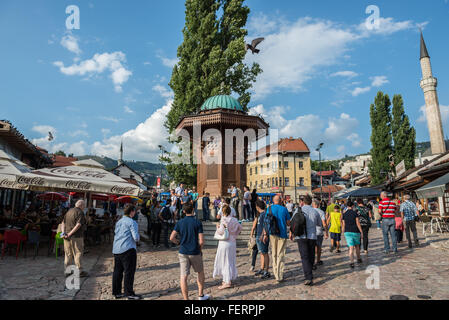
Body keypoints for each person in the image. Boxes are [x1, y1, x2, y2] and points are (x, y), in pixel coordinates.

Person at [170, 203, 210, 300]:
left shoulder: (180, 222)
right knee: (200, 273)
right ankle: (200, 295)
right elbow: (201, 241)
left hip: (183, 252)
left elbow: (171, 238)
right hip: (194, 251)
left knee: (183, 276)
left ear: (183, 211)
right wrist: (200, 250)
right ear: (193, 210)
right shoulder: (197, 222)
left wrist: (178, 243)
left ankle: (185, 299)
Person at [112, 204, 141, 300]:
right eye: (135, 211)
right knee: (129, 272)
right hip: (128, 249)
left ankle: (117, 292)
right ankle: (129, 293)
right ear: (132, 211)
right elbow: (136, 238)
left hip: (117, 248)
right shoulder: (132, 222)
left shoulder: (119, 221)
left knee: (117, 271)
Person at [292, 195, 322, 286]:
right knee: (311, 255)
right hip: (312, 236)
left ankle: (308, 277)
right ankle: (310, 271)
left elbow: (293, 222)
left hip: (301, 237)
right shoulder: (315, 211)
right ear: (311, 202)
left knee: (304, 257)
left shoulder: (298, 210)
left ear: (303, 202)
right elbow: (319, 224)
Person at [212, 204, 243, 289]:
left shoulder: (224, 220)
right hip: (232, 242)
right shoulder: (234, 219)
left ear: (223, 212)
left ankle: (227, 281)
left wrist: (217, 227)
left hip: (224, 242)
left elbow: (221, 232)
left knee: (225, 261)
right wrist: (235, 235)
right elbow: (240, 228)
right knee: (230, 260)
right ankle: (227, 278)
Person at [265, 195, 290, 283]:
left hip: (272, 233)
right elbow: (288, 223)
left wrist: (265, 234)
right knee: (281, 254)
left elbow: (266, 221)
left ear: (273, 200)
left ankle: (275, 273)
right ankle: (280, 275)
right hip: (282, 233)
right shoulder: (284, 209)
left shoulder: (269, 208)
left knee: (274, 254)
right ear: (280, 200)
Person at [61, 200, 88, 278]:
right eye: (84, 206)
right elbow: (78, 225)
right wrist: (70, 233)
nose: (84, 207)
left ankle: (67, 271)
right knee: (78, 253)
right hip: (76, 236)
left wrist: (63, 233)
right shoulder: (80, 212)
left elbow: (63, 223)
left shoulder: (69, 211)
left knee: (68, 254)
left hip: (66, 236)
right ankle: (79, 271)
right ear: (82, 205)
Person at [341, 200, 363, 269]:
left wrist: (343, 232)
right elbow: (358, 223)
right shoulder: (355, 213)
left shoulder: (344, 214)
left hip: (347, 232)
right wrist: (361, 231)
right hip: (355, 231)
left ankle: (352, 262)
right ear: (353, 206)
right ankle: (358, 259)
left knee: (350, 248)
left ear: (347, 206)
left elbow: (343, 224)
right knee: (357, 246)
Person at [252, 200, 270, 279]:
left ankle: (266, 270)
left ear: (257, 206)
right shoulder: (260, 214)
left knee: (265, 253)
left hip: (262, 236)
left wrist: (264, 235)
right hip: (259, 235)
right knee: (262, 253)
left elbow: (265, 226)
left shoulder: (264, 214)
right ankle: (262, 268)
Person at [312, 199, 328, 268]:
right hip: (319, 232)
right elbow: (324, 223)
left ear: (313, 205)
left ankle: (312, 262)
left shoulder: (310, 211)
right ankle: (318, 260)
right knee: (318, 247)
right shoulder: (321, 212)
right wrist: (326, 232)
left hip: (311, 232)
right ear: (318, 205)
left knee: (312, 248)